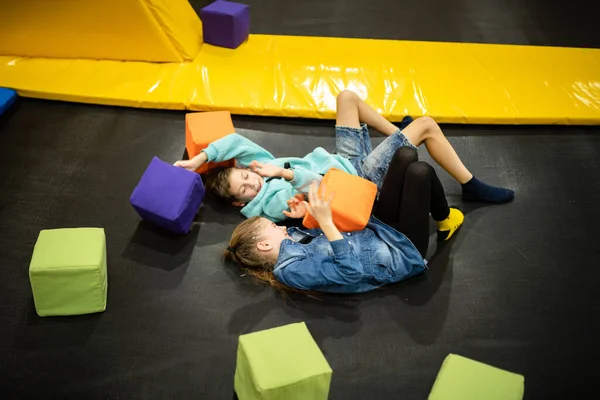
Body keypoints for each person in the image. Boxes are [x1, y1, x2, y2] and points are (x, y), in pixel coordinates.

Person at [175, 90, 514, 222]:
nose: (252, 182)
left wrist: (199, 160)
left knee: (346, 98)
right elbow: (319, 189)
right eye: (244, 189)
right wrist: (285, 175)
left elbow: (234, 141)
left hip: (344, 159)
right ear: (239, 203)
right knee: (426, 126)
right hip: (358, 178)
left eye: (246, 177)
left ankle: (397, 132)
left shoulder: (260, 168)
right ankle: (470, 184)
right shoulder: (268, 203)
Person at [225, 147, 464, 294]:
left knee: (405, 155)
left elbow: (332, 239)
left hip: (377, 227)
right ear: (264, 245)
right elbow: (350, 272)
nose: (279, 225)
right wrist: (326, 223)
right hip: (398, 253)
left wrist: (308, 218)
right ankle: (445, 219)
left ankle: (444, 217)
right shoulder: (290, 271)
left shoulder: (293, 238)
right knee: (419, 171)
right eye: (273, 226)